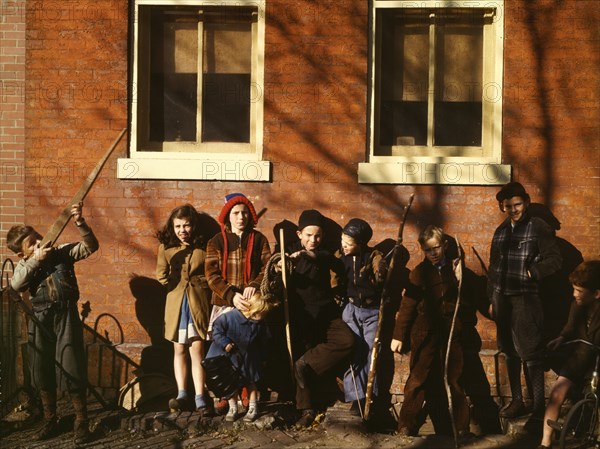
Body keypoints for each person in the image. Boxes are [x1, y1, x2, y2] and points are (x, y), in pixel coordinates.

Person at [7, 202, 98, 445]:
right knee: (41, 369)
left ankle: (81, 421)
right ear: (21, 254)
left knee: (72, 365)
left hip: (65, 315)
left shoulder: (61, 252)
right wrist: (35, 260)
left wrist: (80, 222)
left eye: (38, 237)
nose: (39, 243)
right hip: (40, 318)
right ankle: (51, 419)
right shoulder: (24, 266)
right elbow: (15, 286)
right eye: (31, 244)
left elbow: (90, 246)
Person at [488, 182, 562, 427]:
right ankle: (518, 400)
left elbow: (555, 260)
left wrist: (534, 273)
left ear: (526, 203)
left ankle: (538, 408)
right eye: (508, 206)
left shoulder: (538, 227)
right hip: (502, 299)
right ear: (503, 207)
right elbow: (493, 268)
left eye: (517, 204)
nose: (513, 210)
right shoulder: (500, 232)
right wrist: (491, 298)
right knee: (508, 350)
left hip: (526, 300)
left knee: (531, 352)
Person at [390, 226, 470, 438]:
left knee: (454, 377)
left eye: (436, 248)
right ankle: (406, 425)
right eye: (427, 250)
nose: (433, 253)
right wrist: (399, 335)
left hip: (451, 331)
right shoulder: (419, 273)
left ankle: (460, 427)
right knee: (418, 378)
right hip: (424, 332)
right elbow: (407, 305)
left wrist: (460, 277)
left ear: (444, 245)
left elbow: (467, 296)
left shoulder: (455, 269)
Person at [286, 209, 355, 428]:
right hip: (302, 317)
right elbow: (276, 264)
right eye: (308, 235)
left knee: (347, 341)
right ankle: (307, 410)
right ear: (299, 235)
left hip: (326, 315)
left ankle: (306, 364)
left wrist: (306, 255)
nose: (313, 240)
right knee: (300, 351)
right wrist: (282, 264)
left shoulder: (325, 254)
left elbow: (323, 259)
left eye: (317, 236)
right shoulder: (289, 252)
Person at [205, 193, 271, 413]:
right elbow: (212, 275)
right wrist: (231, 294)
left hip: (251, 306)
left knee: (248, 350)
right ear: (228, 216)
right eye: (235, 213)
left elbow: (267, 268)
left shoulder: (259, 239)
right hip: (226, 302)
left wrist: (254, 283)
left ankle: (247, 393)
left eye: (244, 212)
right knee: (223, 349)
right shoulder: (216, 241)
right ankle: (226, 393)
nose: (240, 217)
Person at [156, 204, 213, 414]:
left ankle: (200, 396)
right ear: (172, 226)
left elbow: (211, 273)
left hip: (198, 302)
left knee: (197, 349)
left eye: (187, 225)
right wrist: (175, 285)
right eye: (178, 226)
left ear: (194, 226)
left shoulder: (204, 246)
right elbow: (160, 275)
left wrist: (201, 285)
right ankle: (182, 394)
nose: (182, 230)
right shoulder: (166, 247)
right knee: (178, 348)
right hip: (176, 302)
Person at [537, 260, 600, 449]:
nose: (574, 294)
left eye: (579, 291)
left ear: (596, 293)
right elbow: (570, 328)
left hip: (598, 359)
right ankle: (545, 442)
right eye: (574, 289)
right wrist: (560, 338)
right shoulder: (576, 305)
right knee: (557, 391)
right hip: (581, 354)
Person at [337, 218, 387, 417]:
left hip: (371, 311)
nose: (344, 246)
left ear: (361, 243)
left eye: (349, 243)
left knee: (371, 353)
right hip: (350, 309)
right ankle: (355, 397)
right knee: (354, 351)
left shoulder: (372, 257)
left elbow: (380, 275)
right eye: (343, 242)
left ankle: (369, 396)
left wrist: (381, 271)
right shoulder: (341, 258)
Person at [205, 292, 278, 422]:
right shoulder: (229, 318)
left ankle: (253, 407)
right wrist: (225, 342)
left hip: (249, 357)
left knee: (251, 382)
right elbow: (217, 331)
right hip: (230, 357)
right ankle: (233, 407)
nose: (262, 317)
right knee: (231, 385)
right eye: (260, 314)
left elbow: (264, 340)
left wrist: (264, 357)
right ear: (252, 310)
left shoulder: (260, 323)